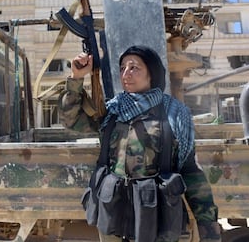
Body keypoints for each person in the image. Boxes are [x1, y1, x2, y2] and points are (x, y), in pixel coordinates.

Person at [58, 46, 221, 242]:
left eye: (134, 67)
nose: (126, 73)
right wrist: (76, 78)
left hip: (156, 218)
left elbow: (190, 171)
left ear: (152, 73)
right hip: (113, 215)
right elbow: (71, 120)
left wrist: (208, 228)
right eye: (122, 68)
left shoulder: (174, 114)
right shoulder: (112, 110)